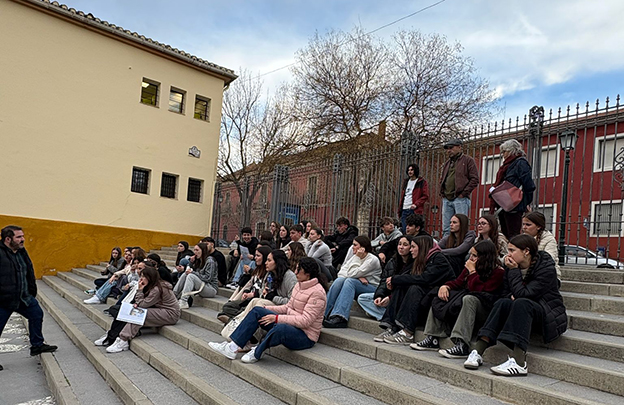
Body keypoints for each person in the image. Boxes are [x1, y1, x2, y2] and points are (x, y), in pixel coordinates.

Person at [464, 235, 567, 376]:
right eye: (508, 250)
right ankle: (478, 350)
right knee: (503, 302)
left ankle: (519, 362)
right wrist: (512, 292)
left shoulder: (545, 267)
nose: (508, 254)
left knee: (522, 302)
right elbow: (505, 293)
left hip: (548, 314)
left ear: (526, 251)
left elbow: (525, 294)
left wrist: (514, 272)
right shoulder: (511, 266)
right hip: (522, 311)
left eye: (512, 250)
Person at [208, 257, 328, 363]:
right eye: (296, 269)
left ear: (308, 273)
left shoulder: (317, 293)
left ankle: (257, 352)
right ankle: (232, 347)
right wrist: (267, 309)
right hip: (292, 324)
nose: (295, 272)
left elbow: (305, 321)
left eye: (298, 270)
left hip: (305, 336)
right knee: (257, 310)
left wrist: (276, 318)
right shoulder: (299, 285)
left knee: (281, 328)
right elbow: (288, 307)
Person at [413, 240, 505, 358]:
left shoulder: (498, 272)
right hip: (466, 302)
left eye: (475, 256)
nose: (471, 258)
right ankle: (432, 337)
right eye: (470, 255)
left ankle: (461, 343)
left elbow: (480, 289)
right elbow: (458, 282)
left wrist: (472, 272)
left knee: (469, 299)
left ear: (485, 257)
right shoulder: (472, 266)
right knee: (440, 295)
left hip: (485, 307)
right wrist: (445, 286)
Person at [378, 235, 454, 345]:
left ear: (422, 247)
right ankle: (391, 326)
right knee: (401, 286)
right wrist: (394, 281)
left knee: (414, 288)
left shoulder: (438, 258)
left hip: (441, 297)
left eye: (413, 247)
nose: (411, 250)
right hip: (427, 295)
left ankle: (407, 333)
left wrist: (396, 279)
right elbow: (411, 276)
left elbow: (425, 279)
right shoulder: (421, 259)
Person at [0, 225, 57, 368]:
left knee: (37, 315)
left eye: (22, 236)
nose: (23, 239)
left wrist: (31, 291)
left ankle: (37, 345)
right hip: (3, 300)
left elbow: (28, 271)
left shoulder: (21, 251)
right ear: (8, 239)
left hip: (24, 297)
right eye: (18, 237)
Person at [99, 266, 181, 353]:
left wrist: (140, 290)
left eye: (144, 277)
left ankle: (123, 340)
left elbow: (143, 304)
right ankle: (112, 335)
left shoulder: (157, 289)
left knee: (138, 314)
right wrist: (138, 302)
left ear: (150, 277)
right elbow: (142, 303)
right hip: (161, 310)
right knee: (125, 311)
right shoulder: (153, 286)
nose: (141, 279)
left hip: (171, 314)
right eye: (141, 276)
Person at [323, 236, 381, 328]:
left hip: (372, 288)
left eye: (355, 245)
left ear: (363, 247)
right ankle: (324, 313)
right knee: (339, 280)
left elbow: (352, 274)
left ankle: (340, 317)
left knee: (350, 281)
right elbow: (341, 273)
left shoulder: (372, 260)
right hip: (359, 285)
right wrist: (358, 277)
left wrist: (357, 261)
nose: (352, 247)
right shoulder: (354, 257)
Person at [359, 236, 414, 323]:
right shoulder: (392, 261)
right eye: (399, 244)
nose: (401, 247)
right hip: (388, 294)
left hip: (401, 297)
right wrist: (379, 296)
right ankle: (387, 316)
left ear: (411, 247)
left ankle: (385, 316)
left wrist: (390, 297)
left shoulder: (414, 263)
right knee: (363, 298)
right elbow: (383, 281)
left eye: (405, 245)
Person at [489, 139, 536, 239]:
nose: (502, 154)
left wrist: (524, 203)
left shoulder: (521, 163)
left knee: (513, 235)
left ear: (512, 150)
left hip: (514, 205)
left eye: (504, 151)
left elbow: (529, 185)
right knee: (506, 233)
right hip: (503, 204)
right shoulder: (507, 165)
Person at [218, 246, 272, 323]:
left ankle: (233, 320)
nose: (255, 258)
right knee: (227, 306)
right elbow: (250, 284)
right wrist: (246, 292)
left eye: (258, 256)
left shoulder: (268, 273)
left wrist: (253, 294)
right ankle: (235, 319)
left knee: (242, 310)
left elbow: (264, 290)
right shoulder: (257, 270)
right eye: (255, 255)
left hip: (256, 300)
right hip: (248, 298)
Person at [439, 139, 479, 236]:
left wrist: (463, 193)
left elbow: (475, 179)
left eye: (451, 147)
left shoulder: (468, 160)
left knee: (461, 226)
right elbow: (443, 179)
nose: (449, 150)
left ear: (459, 147)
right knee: (446, 228)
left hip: (460, 198)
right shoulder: (447, 163)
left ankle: (461, 244)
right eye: (447, 148)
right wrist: (443, 192)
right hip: (447, 198)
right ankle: (446, 244)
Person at [174, 243, 219, 309]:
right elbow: (190, 270)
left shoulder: (210, 261)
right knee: (186, 274)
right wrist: (191, 263)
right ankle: (173, 296)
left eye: (197, 250)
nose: (195, 252)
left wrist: (193, 272)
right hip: (202, 286)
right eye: (194, 250)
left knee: (191, 276)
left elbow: (208, 278)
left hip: (211, 289)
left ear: (203, 251)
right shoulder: (198, 260)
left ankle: (183, 301)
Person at [522, 211, 560, 278]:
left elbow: (549, 260)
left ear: (538, 227)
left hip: (546, 275)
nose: (524, 227)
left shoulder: (549, 239)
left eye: (528, 225)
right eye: (523, 224)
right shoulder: (521, 238)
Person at [398, 164, 429, 232]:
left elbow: (425, 196)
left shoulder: (421, 182)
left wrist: (416, 204)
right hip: (404, 209)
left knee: (414, 231)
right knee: (405, 230)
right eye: (408, 170)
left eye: (412, 170)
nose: (410, 172)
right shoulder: (406, 182)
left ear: (415, 171)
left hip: (414, 210)